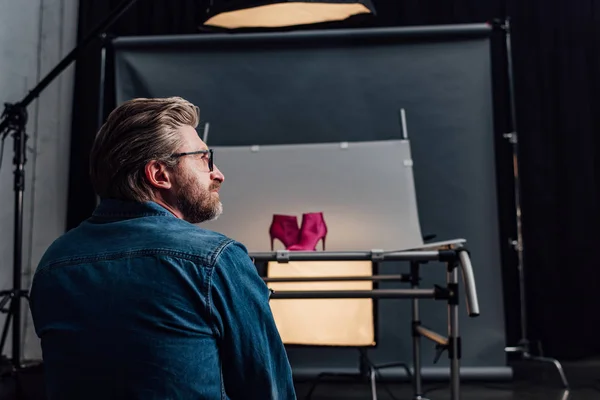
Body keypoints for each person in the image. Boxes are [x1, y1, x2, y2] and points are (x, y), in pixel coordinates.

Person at [29, 97, 297, 400]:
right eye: (204, 159)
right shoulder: (215, 261)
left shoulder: (54, 263)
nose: (218, 174)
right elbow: (269, 391)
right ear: (159, 174)